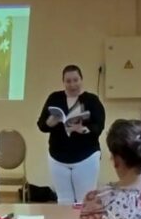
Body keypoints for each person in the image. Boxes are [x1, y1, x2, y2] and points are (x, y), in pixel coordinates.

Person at [37, 64, 106, 204]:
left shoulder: (91, 100)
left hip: (86, 156)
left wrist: (83, 129)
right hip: (58, 156)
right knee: (63, 200)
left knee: (84, 199)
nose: (72, 84)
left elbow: (99, 126)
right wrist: (50, 123)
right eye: (68, 81)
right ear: (63, 82)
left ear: (81, 80)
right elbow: (42, 125)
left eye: (75, 80)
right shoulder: (54, 98)